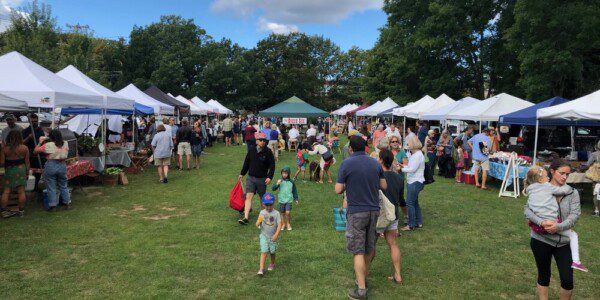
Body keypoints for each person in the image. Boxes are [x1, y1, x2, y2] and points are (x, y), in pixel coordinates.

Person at [335, 135, 386, 300]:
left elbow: (337, 189)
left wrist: (346, 185)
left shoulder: (346, 163)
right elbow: (383, 185)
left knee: (358, 250)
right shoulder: (374, 163)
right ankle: (363, 277)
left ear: (350, 149)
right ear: (365, 147)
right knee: (369, 247)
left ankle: (361, 290)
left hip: (357, 211)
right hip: (373, 210)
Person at [524, 160, 581, 300]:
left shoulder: (572, 193)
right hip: (540, 239)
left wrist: (558, 227)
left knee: (567, 281)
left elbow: (575, 215)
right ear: (552, 171)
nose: (565, 177)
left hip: (563, 242)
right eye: (562, 173)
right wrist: (541, 222)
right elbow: (527, 209)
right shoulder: (539, 187)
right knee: (544, 276)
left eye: (567, 174)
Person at [376, 149, 403, 284]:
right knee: (393, 244)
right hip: (393, 214)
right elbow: (400, 198)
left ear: (380, 160)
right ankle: (398, 275)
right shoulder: (398, 177)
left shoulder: (376, 177)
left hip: (379, 215)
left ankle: (362, 275)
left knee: (370, 246)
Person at [238, 132, 276, 225]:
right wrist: (242, 173)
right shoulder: (251, 150)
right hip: (251, 178)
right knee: (248, 197)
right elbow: (246, 162)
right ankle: (246, 217)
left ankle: (263, 217)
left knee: (262, 198)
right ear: (257, 141)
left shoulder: (268, 151)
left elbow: (272, 165)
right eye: (261, 140)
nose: (263, 142)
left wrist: (269, 177)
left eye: (264, 140)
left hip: (262, 179)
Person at [34, 129, 69, 211]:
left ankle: (53, 205)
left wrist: (40, 142)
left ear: (51, 137)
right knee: (63, 185)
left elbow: (35, 151)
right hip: (62, 165)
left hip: (51, 165)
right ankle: (66, 203)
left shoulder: (48, 145)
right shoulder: (65, 143)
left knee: (51, 186)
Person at [0, 131, 30, 217]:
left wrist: (1, 174)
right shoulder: (24, 148)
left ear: (8, 137)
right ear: (20, 137)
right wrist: (27, 173)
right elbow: (27, 163)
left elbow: (1, 163)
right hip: (21, 170)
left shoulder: (4, 149)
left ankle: (4, 212)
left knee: (6, 191)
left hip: (9, 170)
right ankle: (21, 212)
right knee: (21, 191)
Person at [400, 136, 425, 231]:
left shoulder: (417, 155)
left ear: (413, 144)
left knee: (410, 203)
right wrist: (403, 165)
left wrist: (401, 169)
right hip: (416, 181)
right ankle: (419, 222)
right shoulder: (416, 154)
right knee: (415, 203)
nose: (407, 145)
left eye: (408, 143)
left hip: (415, 181)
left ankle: (411, 224)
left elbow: (412, 169)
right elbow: (411, 166)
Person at [255, 192, 282, 276]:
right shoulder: (262, 213)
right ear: (263, 204)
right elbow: (258, 222)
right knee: (264, 251)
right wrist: (258, 223)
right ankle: (261, 269)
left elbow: (279, 225)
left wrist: (276, 235)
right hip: (264, 236)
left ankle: (272, 263)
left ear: (273, 203)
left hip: (272, 237)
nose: (269, 207)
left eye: (270, 205)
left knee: (272, 252)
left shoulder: (276, 213)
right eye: (267, 205)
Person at [22, 114, 45, 192]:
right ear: (29, 121)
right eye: (32, 121)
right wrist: (29, 137)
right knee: (29, 171)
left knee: (38, 171)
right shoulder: (25, 131)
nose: (34, 123)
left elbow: (43, 141)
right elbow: (22, 143)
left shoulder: (40, 130)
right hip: (29, 155)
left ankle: (35, 186)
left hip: (39, 155)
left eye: (36, 121)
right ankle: (28, 186)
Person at [272, 166, 298, 231]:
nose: (284, 174)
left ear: (288, 174)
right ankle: (283, 224)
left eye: (286, 173)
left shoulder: (291, 182)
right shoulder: (280, 181)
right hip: (281, 200)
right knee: (282, 213)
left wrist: (296, 198)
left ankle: (288, 223)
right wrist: (277, 184)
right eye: (283, 173)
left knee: (288, 212)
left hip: (289, 200)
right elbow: (273, 189)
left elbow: (294, 191)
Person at [389, 135, 408, 224]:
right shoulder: (387, 152)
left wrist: (398, 165)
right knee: (389, 198)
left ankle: (406, 215)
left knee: (400, 198)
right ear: (390, 143)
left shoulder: (402, 152)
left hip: (399, 178)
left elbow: (406, 165)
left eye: (396, 141)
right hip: (388, 178)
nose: (395, 143)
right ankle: (391, 218)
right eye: (393, 141)